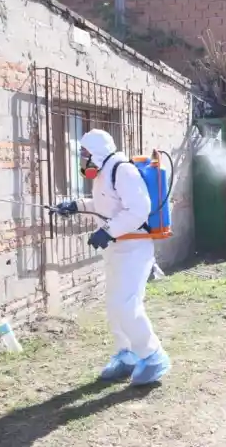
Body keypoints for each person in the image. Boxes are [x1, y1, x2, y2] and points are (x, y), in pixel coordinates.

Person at [54, 129, 170, 386]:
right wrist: (76, 205)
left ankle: (153, 356)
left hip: (135, 248)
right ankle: (126, 355)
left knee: (127, 306)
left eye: (83, 153)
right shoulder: (103, 173)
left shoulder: (123, 170)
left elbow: (140, 209)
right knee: (114, 307)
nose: (81, 158)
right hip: (117, 248)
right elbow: (106, 205)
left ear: (96, 151)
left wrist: (107, 231)